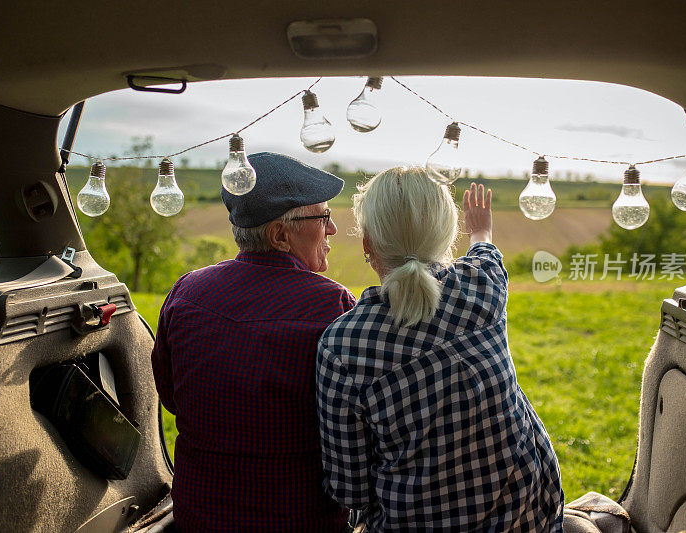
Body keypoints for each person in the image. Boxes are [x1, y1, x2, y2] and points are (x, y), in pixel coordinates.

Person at [317, 167, 564, 532]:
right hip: (532, 517)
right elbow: (484, 248)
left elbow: (350, 489)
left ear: (368, 243)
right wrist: (480, 226)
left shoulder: (343, 345)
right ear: (448, 234)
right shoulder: (484, 282)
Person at [152, 152, 357, 532]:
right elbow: (354, 430)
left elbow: (168, 395)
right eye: (323, 217)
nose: (331, 230)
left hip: (199, 519)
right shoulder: (334, 305)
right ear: (280, 235)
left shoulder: (187, 291)